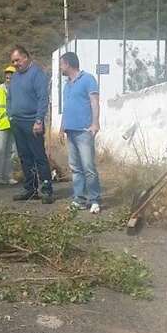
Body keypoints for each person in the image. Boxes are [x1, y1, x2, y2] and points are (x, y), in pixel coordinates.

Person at [8, 45, 53, 204]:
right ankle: (30, 189)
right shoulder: (15, 77)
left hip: (33, 123)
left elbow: (43, 99)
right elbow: (9, 97)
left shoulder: (37, 74)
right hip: (17, 123)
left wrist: (39, 120)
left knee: (39, 157)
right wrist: (10, 114)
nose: (15, 64)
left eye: (17, 60)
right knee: (24, 157)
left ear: (26, 57)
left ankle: (46, 190)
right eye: (13, 61)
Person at [58, 52, 102, 214]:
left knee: (88, 167)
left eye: (61, 64)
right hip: (70, 131)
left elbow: (94, 102)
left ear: (68, 64)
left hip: (84, 131)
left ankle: (95, 199)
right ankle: (79, 199)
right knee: (75, 167)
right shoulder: (67, 85)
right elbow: (66, 108)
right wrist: (62, 128)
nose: (60, 68)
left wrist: (95, 123)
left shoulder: (88, 79)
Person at [0, 65, 18, 187]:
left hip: (14, 124)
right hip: (1, 124)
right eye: (7, 75)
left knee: (12, 152)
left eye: (11, 75)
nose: (9, 77)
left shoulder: (19, 89)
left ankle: (8, 176)